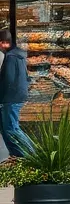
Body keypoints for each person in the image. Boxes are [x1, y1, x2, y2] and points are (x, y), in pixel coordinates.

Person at [0, 30, 30, 160]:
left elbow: (9, 79)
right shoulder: (19, 55)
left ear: (2, 43)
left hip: (11, 97)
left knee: (11, 128)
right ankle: (16, 155)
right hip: (16, 96)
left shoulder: (11, 57)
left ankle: (32, 155)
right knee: (7, 128)